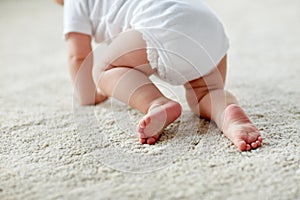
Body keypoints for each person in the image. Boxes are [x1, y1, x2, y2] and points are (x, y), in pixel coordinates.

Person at [55, 0, 263, 151]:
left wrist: (87, 96)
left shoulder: (74, 3)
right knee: (206, 94)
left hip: (163, 25)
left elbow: (78, 56)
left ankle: (156, 103)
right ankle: (228, 115)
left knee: (104, 69)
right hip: (208, 26)